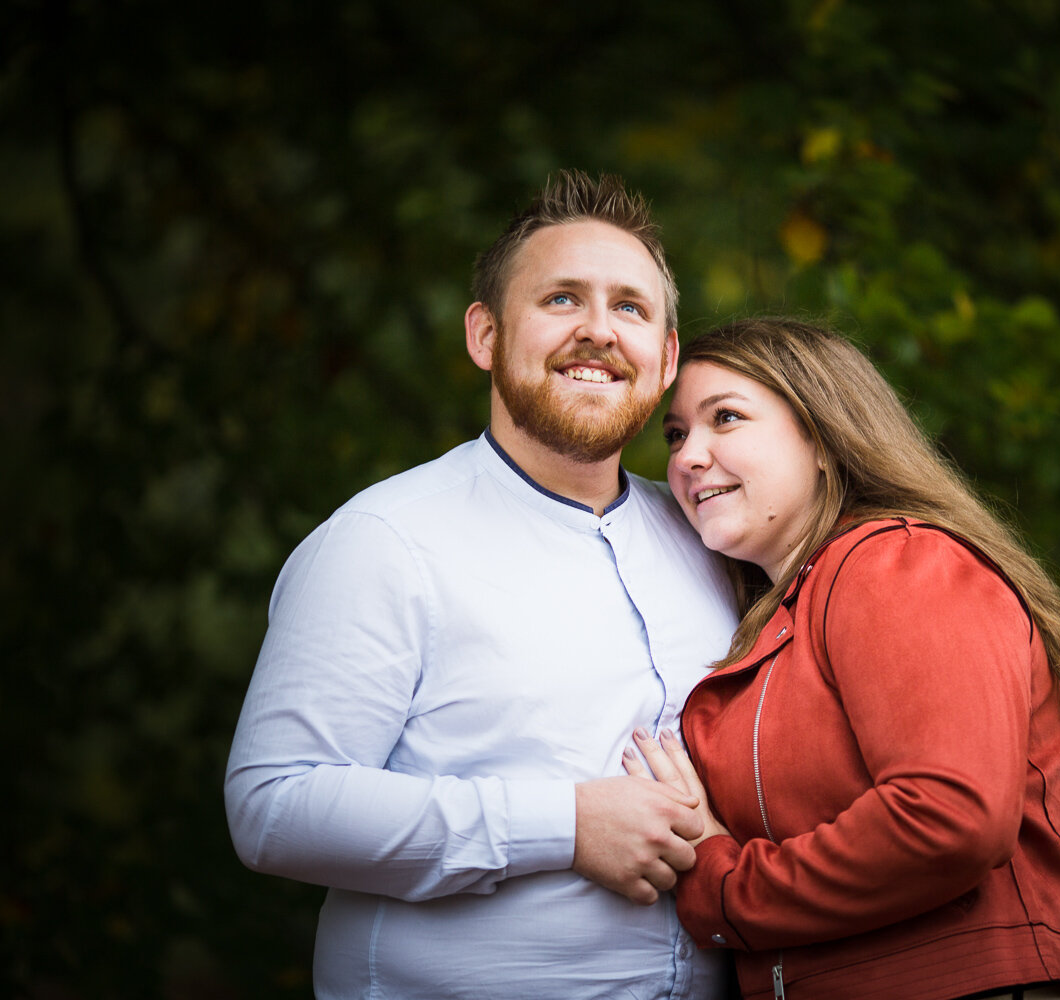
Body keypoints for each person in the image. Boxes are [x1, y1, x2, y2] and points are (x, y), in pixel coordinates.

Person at [224, 171, 740, 999]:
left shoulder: (713, 540)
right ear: (485, 335)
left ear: (667, 357)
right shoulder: (385, 542)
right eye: (562, 300)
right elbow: (275, 807)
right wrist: (563, 826)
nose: (599, 331)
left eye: (631, 308)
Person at [624, 317, 1060, 1000]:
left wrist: (725, 883)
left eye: (725, 419)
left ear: (824, 439)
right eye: (676, 435)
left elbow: (948, 819)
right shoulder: (784, 615)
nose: (687, 457)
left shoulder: (894, 562)